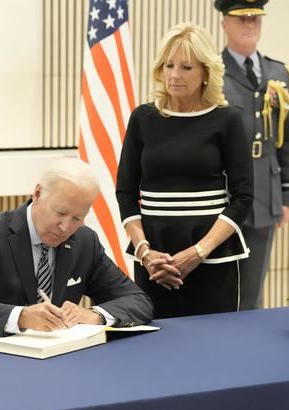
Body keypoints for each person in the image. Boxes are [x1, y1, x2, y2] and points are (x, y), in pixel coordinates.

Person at [115, 22, 254, 319]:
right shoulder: (142, 118)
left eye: (187, 67)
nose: (175, 75)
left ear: (205, 72)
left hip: (213, 261)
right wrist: (145, 252)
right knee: (153, 350)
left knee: (213, 349)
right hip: (154, 264)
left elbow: (243, 198)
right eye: (169, 65)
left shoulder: (227, 120)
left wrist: (198, 253)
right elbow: (125, 193)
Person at [0, 158, 154, 338]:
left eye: (77, 218)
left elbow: (139, 302)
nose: (65, 227)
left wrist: (94, 315)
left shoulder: (85, 241)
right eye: (60, 213)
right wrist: (20, 317)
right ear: (38, 194)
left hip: (54, 364)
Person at [215, 0, 289, 310]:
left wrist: (288, 194)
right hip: (224, 192)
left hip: (265, 190)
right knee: (221, 282)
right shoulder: (212, 71)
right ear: (225, 22)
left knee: (253, 286)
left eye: (255, 17)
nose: (249, 23)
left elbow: (286, 138)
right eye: (241, 18)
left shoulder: (279, 73)